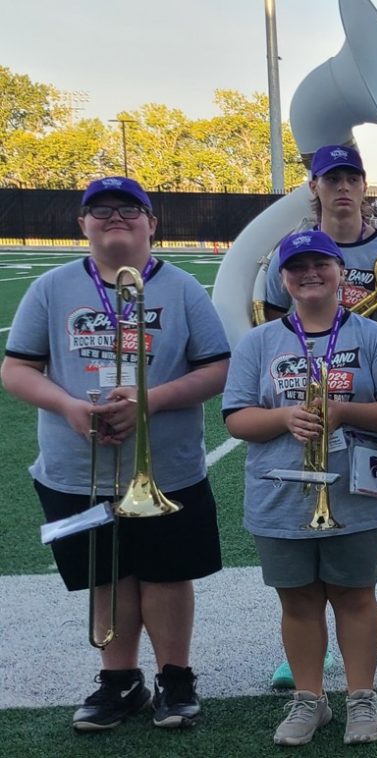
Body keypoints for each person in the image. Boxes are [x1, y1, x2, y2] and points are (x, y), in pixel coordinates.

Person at [1, 176, 228, 731]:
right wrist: (68, 406)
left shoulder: (181, 288)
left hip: (166, 465)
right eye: (99, 210)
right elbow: (17, 368)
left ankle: (175, 677)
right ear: (82, 224)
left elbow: (217, 369)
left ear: (152, 222)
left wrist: (148, 402)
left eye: (129, 208)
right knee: (108, 575)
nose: (114, 217)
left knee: (167, 576)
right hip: (75, 467)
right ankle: (119, 679)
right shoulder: (52, 288)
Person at [224, 230, 377, 746]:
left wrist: (345, 412)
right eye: (297, 266)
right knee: (298, 601)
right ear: (282, 278)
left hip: (355, 493)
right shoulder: (258, 341)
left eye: (320, 264)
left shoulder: (375, 337)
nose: (309, 274)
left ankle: (361, 696)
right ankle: (310, 700)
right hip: (280, 495)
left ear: (338, 271)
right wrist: (285, 417)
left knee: (356, 595)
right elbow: (236, 420)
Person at [262, 144, 377, 687]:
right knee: (305, 517)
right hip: (308, 410)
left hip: (372, 405)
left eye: (352, 178)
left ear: (365, 187)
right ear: (313, 186)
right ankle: (312, 643)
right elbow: (268, 323)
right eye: (331, 178)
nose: (342, 187)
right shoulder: (288, 255)